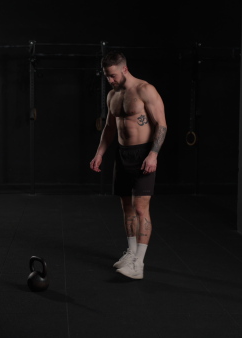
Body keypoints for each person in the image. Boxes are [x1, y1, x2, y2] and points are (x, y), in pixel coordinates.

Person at [90, 50, 167, 280]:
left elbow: (161, 125)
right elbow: (110, 128)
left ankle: (139, 263)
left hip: (143, 154)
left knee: (141, 208)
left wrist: (153, 155)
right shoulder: (112, 95)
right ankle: (131, 252)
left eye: (112, 75)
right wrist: (99, 154)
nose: (110, 80)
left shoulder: (145, 90)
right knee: (126, 208)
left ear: (124, 69)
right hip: (122, 154)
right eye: (106, 76)